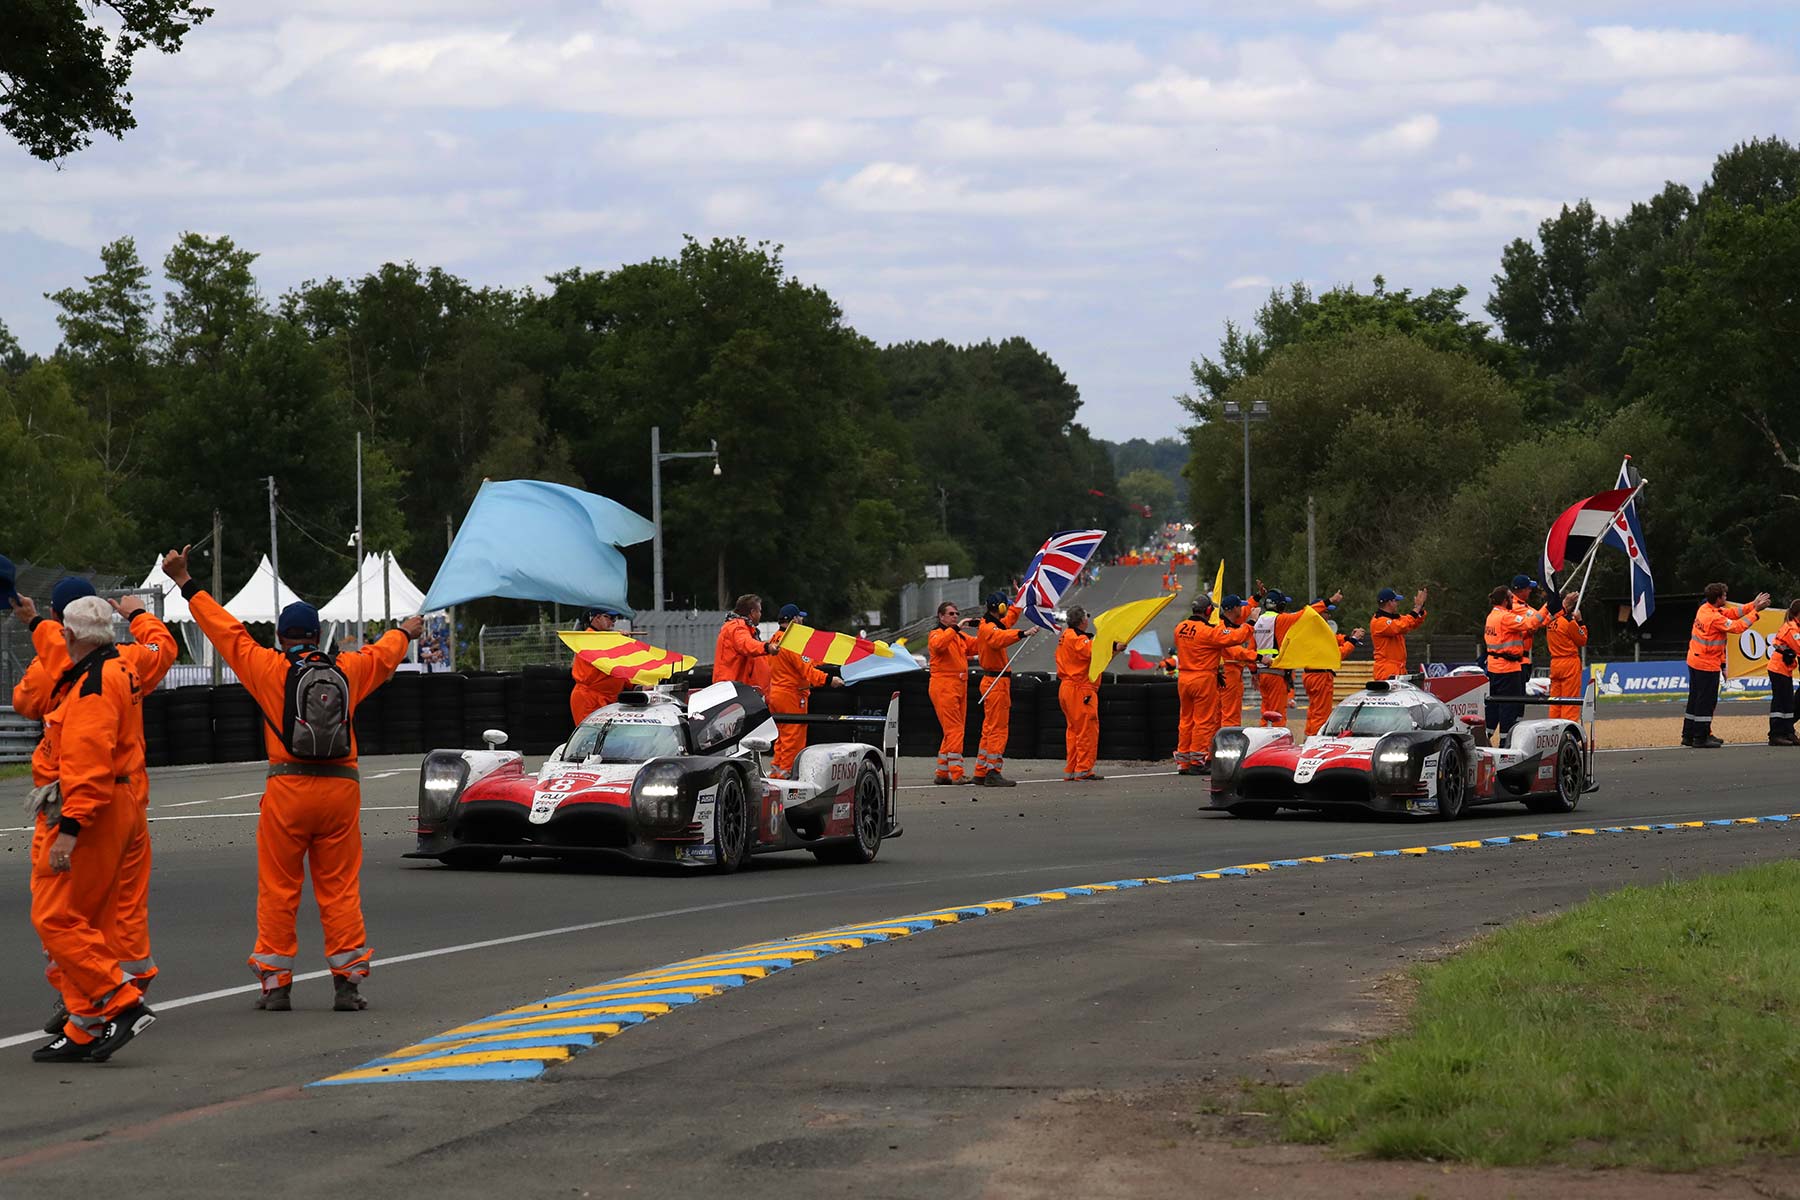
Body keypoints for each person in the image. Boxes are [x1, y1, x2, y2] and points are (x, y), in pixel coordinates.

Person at [164, 545, 419, 1012]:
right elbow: (384, 655)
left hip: (288, 788)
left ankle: (276, 984)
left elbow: (224, 630)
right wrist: (404, 631)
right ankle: (347, 982)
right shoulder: (348, 669)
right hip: (342, 788)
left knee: (279, 887)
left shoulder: (266, 667)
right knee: (339, 886)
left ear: (281, 637)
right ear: (318, 635)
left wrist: (187, 583)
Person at [12, 583, 177, 1037]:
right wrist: (140, 614)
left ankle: (109, 997)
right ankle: (95, 1012)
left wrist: (70, 825)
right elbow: (163, 646)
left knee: (60, 914)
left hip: (85, 802)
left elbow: (27, 703)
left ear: (68, 630)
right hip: (131, 801)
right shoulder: (127, 660)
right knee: (114, 913)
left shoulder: (76, 679)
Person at [1171, 595, 1253, 775]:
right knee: (1204, 721)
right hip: (1203, 678)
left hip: (1184, 678)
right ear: (1207, 611)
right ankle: (1197, 761)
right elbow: (1234, 638)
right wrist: (1251, 623)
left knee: (1186, 720)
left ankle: (1183, 761)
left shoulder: (1179, 628)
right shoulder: (1208, 632)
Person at [1683, 583, 1769, 748]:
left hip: (1695, 660)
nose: (1726, 598)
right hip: (1706, 664)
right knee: (1706, 701)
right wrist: (1756, 612)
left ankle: (1689, 734)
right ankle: (1701, 737)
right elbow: (1737, 627)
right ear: (1718, 599)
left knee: (1694, 699)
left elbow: (1732, 613)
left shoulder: (1705, 609)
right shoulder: (1714, 618)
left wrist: (1753, 604)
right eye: (1724, 595)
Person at [766, 603, 844, 779]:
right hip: (791, 695)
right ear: (794, 620)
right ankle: (786, 778)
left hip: (776, 693)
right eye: (800, 617)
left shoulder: (775, 639)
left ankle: (777, 774)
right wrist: (829, 680)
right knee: (793, 739)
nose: (802, 620)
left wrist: (824, 661)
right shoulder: (792, 642)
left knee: (782, 739)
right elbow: (806, 670)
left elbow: (802, 663)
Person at [1252, 589, 1341, 726]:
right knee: (1278, 714)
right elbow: (1306, 612)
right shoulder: (1280, 619)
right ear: (1279, 605)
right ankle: (1277, 744)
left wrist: (1253, 671)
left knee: (1266, 712)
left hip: (1261, 672)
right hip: (1275, 671)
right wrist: (1329, 601)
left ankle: (1262, 741)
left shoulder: (1258, 622)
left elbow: (1251, 648)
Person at [972, 591, 1034, 787]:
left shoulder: (991, 624)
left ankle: (981, 771)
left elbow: (1009, 621)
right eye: (1004, 606)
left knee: (989, 728)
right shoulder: (989, 628)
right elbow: (999, 638)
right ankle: (993, 771)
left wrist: (1020, 600)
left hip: (994, 681)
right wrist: (1023, 634)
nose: (1006, 608)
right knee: (998, 729)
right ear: (998, 607)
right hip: (995, 682)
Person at [1484, 584, 1547, 744]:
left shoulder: (1492, 616)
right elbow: (1531, 622)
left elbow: (1507, 636)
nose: (1513, 600)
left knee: (1493, 707)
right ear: (1505, 600)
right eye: (1511, 597)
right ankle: (1506, 744)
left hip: (1493, 668)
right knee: (1509, 708)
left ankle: (1484, 739)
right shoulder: (1506, 617)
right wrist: (1547, 606)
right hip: (1508, 669)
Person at [928, 601, 979, 783]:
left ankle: (942, 773)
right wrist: (956, 628)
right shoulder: (937, 634)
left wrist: (990, 629)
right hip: (943, 686)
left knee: (952, 731)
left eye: (956, 613)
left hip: (959, 685)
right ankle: (956, 773)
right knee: (955, 730)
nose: (955, 616)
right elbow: (939, 646)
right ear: (941, 616)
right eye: (951, 614)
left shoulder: (959, 637)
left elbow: (978, 645)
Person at [1056, 606, 1104, 781]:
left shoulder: (1066, 635)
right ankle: (1084, 770)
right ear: (1083, 620)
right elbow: (1095, 651)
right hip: (1080, 689)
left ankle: (1073, 768)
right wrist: (1114, 646)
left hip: (1066, 688)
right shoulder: (1078, 639)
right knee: (1087, 730)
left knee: (1073, 731)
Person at [1302, 625, 1367, 739]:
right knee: (1321, 712)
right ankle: (1316, 739)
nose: (1329, 616)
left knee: (1314, 710)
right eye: (1326, 612)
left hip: (1311, 674)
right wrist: (1353, 640)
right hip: (1320, 676)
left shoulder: (1312, 631)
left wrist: (1348, 638)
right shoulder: (1319, 634)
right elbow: (1337, 655)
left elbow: (1334, 638)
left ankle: (1309, 735)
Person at [569, 605, 628, 725]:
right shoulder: (587, 638)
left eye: (614, 619)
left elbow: (619, 668)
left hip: (608, 699)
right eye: (610, 618)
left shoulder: (605, 639)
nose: (613, 623)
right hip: (589, 700)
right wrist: (619, 643)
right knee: (591, 739)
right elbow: (607, 662)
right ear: (597, 617)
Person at [714, 594, 778, 697]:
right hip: (734, 692)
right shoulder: (737, 627)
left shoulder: (740, 627)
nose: (760, 614)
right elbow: (746, 644)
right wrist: (767, 647)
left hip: (738, 690)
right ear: (752, 612)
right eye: (759, 611)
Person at [1217, 594, 1259, 736]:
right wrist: (1258, 657)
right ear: (1233, 609)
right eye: (1239, 606)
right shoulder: (1223, 629)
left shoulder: (1228, 622)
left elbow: (1246, 610)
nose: (1242, 608)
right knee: (1230, 714)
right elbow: (1237, 652)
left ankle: (1215, 750)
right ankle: (1229, 745)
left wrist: (1257, 597)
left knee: (1223, 714)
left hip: (1229, 672)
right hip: (1229, 674)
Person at [1544, 593, 1588, 722]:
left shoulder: (1549, 621)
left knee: (1555, 701)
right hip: (1569, 662)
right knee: (1570, 700)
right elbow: (1582, 640)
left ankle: (1552, 728)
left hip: (1555, 662)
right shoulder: (1569, 622)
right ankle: (1569, 732)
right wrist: (1580, 621)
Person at [1369, 587, 1427, 680]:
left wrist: (1421, 608)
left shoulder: (1394, 618)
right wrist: (1417, 608)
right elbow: (1401, 626)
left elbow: (1412, 623)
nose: (1397, 604)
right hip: (1386, 671)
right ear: (1389, 603)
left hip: (1398, 669)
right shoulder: (1379, 621)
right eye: (1395, 601)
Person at [1767, 601, 1800, 746]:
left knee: (1787, 702)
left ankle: (1788, 731)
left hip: (1784, 669)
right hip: (1778, 669)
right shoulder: (1791, 629)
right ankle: (1775, 734)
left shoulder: (1796, 627)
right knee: (1780, 702)